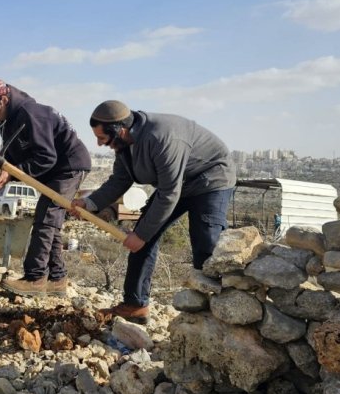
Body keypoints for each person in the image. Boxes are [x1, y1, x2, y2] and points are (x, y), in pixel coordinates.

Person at [71, 100, 235, 324]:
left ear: (119, 130)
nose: (99, 145)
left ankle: (214, 314)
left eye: (102, 138)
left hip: (210, 180)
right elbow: (120, 179)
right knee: (142, 239)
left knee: (205, 243)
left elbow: (168, 193)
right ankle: (135, 306)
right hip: (177, 185)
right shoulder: (123, 144)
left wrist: (141, 235)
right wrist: (90, 203)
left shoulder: (162, 137)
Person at [0, 79, 91, 296]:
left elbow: (46, 157)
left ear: (4, 99)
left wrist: (12, 172)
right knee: (49, 221)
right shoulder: (9, 119)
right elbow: (13, 155)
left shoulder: (31, 114)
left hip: (68, 167)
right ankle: (57, 279)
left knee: (46, 219)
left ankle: (35, 279)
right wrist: (1, 174)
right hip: (54, 169)